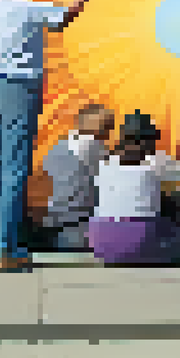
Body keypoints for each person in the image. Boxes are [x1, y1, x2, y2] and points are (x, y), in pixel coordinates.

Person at [0, 0, 104, 272]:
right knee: (17, 168)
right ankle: (9, 248)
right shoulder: (26, 8)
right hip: (21, 88)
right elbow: (64, 19)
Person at [89, 111, 180, 265]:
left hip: (102, 245)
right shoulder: (156, 161)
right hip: (142, 244)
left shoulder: (105, 163)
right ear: (150, 139)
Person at [41, 104, 116, 250]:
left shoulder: (57, 146)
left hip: (52, 218)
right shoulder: (94, 147)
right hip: (78, 221)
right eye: (107, 126)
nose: (110, 132)